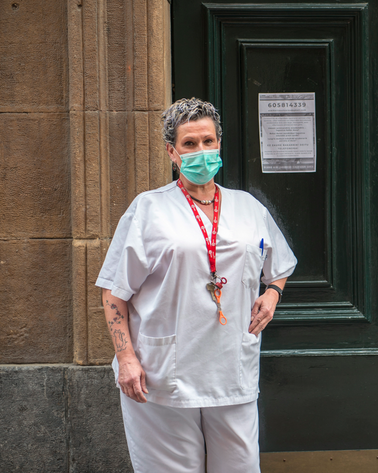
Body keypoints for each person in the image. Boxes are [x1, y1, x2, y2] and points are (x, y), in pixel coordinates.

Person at [96, 97, 297, 472]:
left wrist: (272, 293)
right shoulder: (148, 209)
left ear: (219, 144)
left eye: (208, 141)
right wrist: (126, 358)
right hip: (163, 373)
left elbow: (280, 264)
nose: (200, 151)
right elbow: (114, 291)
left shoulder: (248, 208)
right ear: (172, 151)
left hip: (231, 368)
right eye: (189, 144)